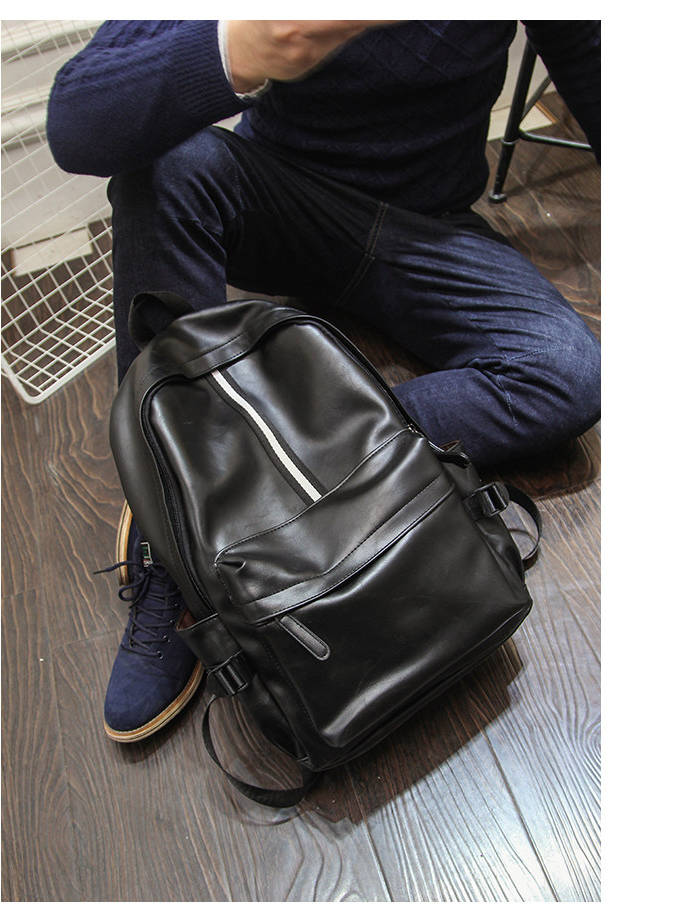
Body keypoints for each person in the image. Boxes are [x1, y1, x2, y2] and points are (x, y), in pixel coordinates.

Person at [46, 19, 601, 744]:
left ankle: (239, 488)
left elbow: (593, 61)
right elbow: (74, 124)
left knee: (566, 374)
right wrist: (233, 49)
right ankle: (174, 538)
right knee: (170, 167)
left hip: (431, 227)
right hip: (284, 203)